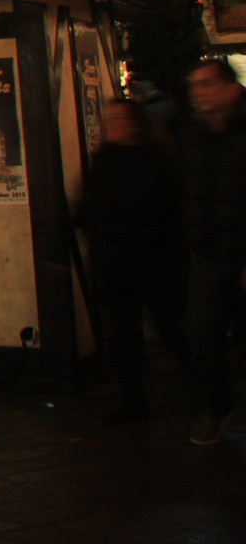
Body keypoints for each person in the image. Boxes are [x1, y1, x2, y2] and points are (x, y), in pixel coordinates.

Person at [76, 98, 186, 419]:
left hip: (153, 263)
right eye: (109, 120)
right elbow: (90, 209)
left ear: (136, 123)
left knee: (170, 331)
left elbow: (170, 213)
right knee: (123, 337)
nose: (113, 126)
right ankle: (132, 401)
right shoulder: (105, 162)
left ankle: (202, 394)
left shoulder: (157, 163)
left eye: (119, 119)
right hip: (117, 265)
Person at [181, 57, 246, 446]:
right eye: (194, 87)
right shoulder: (191, 131)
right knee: (203, 333)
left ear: (231, 89)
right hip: (208, 254)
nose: (198, 94)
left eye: (206, 85)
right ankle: (215, 408)